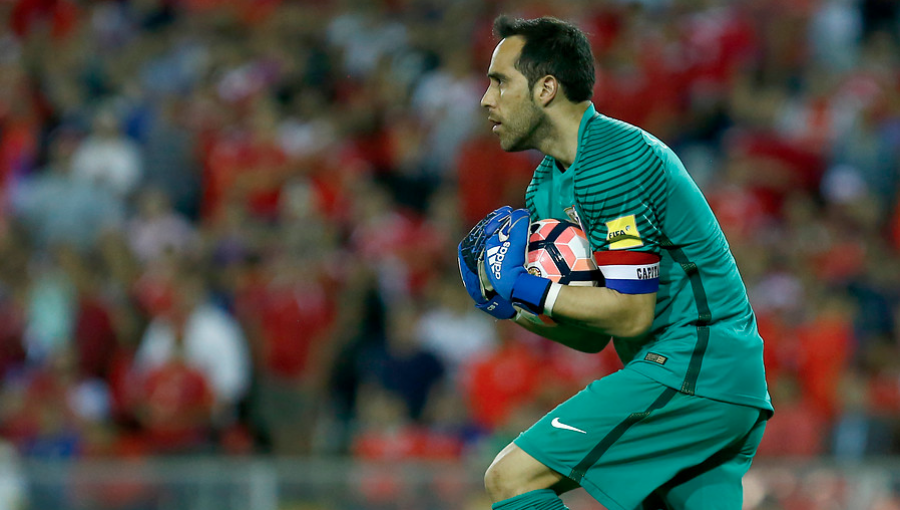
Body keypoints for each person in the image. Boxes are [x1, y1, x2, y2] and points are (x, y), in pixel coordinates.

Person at [457, 16, 773, 510]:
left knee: (513, 480)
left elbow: (631, 313)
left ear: (545, 89)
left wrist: (529, 287)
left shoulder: (611, 160)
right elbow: (591, 336)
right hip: (711, 381)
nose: (486, 98)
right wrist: (512, 303)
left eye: (500, 81)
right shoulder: (545, 187)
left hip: (694, 370)